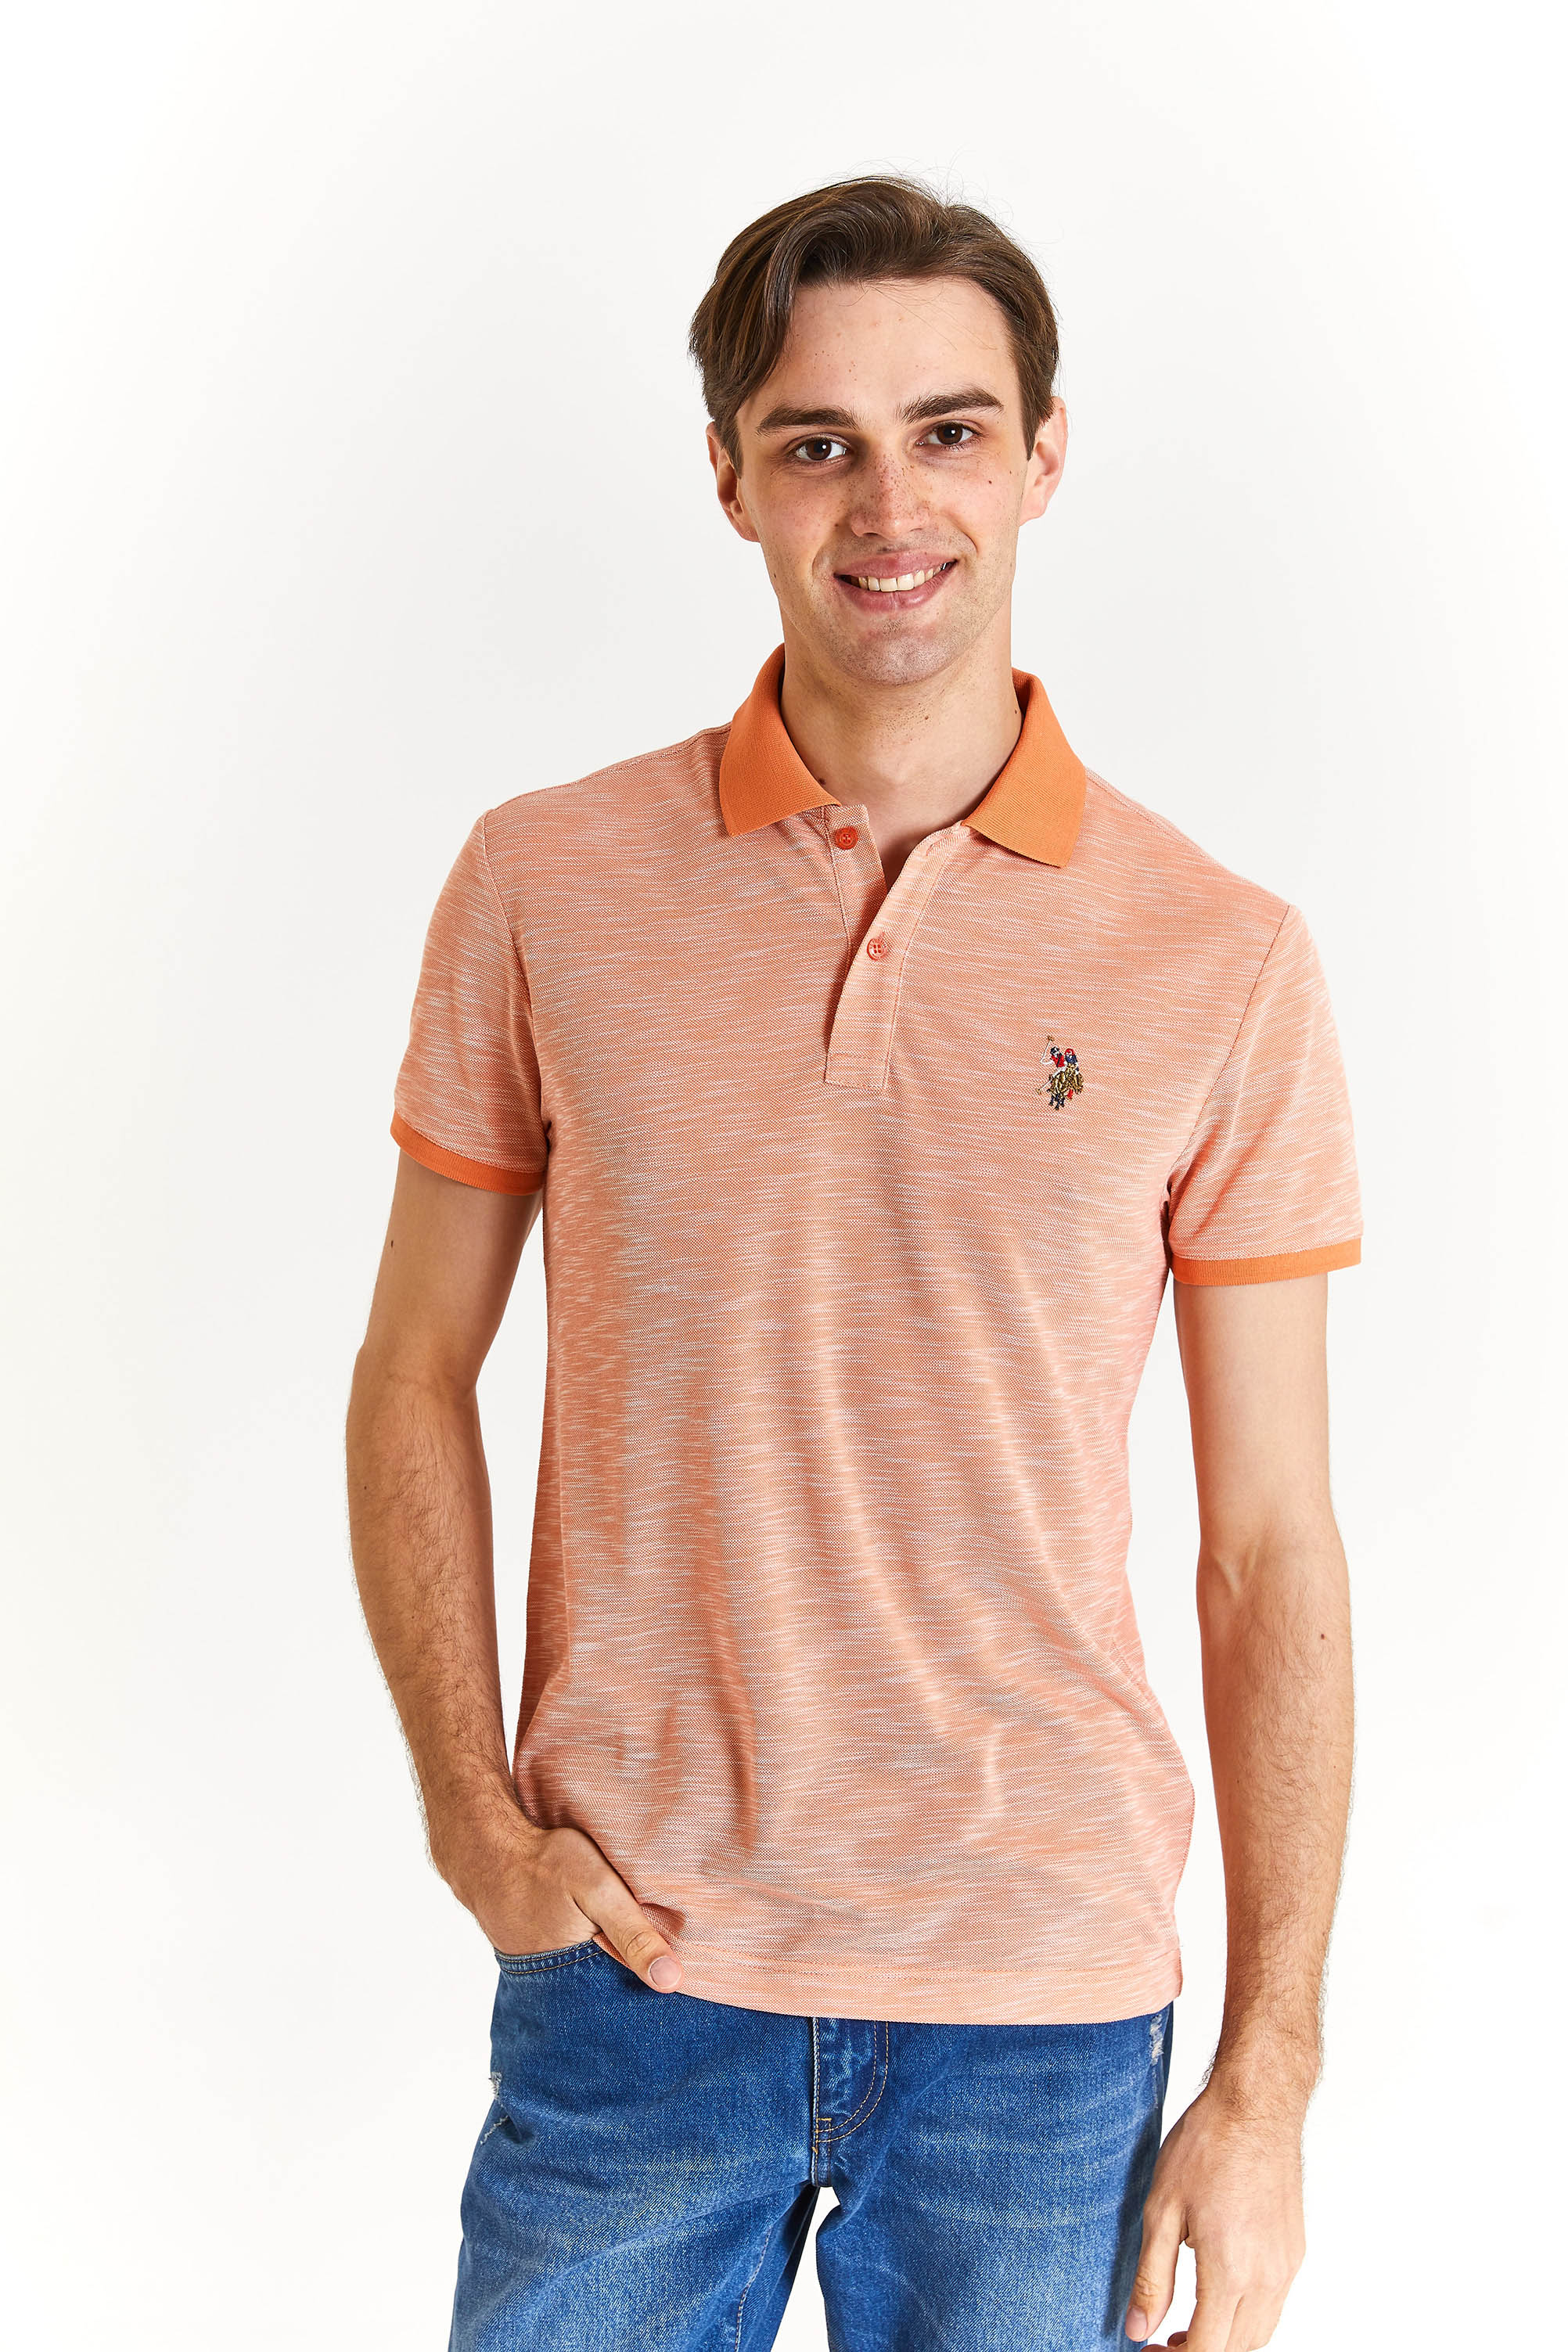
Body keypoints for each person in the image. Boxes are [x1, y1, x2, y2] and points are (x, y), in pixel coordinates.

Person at [346, 175, 1361, 2352]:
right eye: (817, 442)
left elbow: (1269, 1545)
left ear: (1043, 455)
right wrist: (474, 1826)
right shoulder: (542, 885)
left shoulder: (1222, 958)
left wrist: (1267, 2077)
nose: (889, 507)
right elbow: (414, 1364)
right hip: (633, 1972)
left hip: (1044, 2019)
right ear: (729, 476)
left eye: (949, 431)